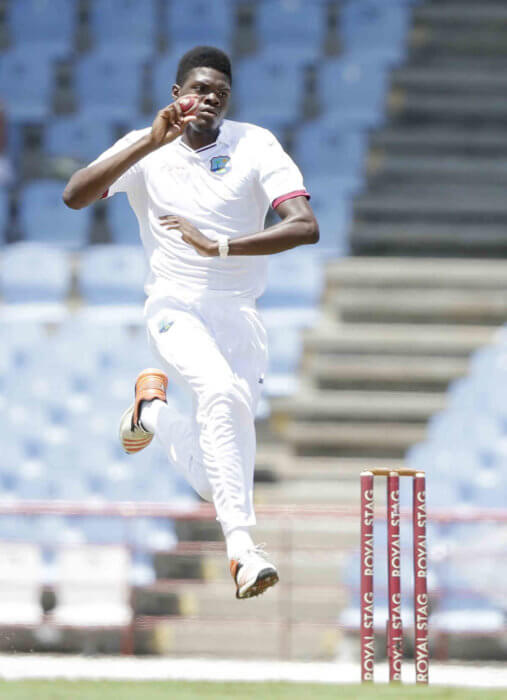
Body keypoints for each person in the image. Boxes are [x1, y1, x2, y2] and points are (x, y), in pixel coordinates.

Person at [63, 46, 319, 599]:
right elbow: (74, 195)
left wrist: (220, 246)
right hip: (174, 307)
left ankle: (151, 412)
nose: (208, 100)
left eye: (219, 94)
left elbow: (304, 227)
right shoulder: (146, 146)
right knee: (220, 392)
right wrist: (149, 143)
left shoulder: (255, 144)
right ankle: (243, 551)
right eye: (198, 90)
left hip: (240, 317)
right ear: (176, 95)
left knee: (212, 479)